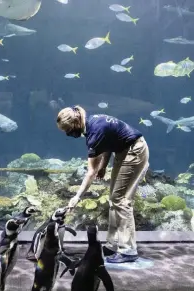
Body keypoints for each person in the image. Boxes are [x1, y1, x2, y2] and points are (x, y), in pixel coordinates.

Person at [56, 105, 149, 263]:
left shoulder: (93, 134)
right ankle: (113, 245)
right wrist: (104, 166)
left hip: (134, 151)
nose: (68, 133)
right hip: (123, 151)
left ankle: (127, 250)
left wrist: (77, 197)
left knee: (121, 200)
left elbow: (90, 172)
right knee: (114, 199)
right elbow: (107, 144)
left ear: (76, 123)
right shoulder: (93, 122)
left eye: (68, 129)